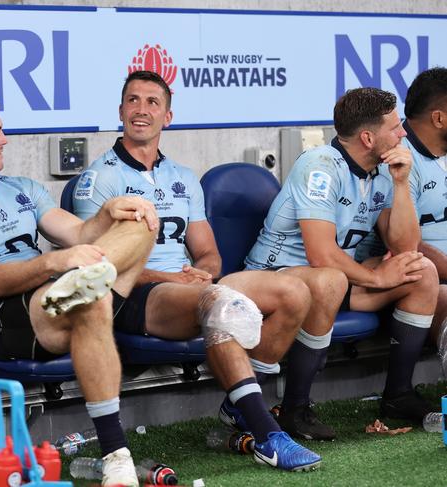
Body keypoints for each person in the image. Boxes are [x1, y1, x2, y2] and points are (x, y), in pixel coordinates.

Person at [73, 70, 326, 471]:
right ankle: (267, 437)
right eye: (133, 101)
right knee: (219, 302)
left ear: (168, 116)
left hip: (189, 287)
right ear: (120, 111)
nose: (142, 110)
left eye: (152, 102)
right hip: (135, 294)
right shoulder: (99, 179)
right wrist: (176, 279)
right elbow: (98, 267)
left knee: (293, 293)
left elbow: (208, 253)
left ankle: (238, 405)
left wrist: (202, 273)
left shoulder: (183, 178)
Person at [0, 93, 159, 486]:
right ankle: (116, 454)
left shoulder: (22, 188)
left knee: (139, 220)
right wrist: (55, 262)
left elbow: (78, 232)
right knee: (91, 302)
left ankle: (80, 289)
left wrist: (110, 210)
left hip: (50, 297)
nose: (5, 139)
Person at [245, 87, 440, 422]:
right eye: (395, 128)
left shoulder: (382, 170)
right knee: (330, 278)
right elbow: (320, 254)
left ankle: (398, 395)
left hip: (334, 280)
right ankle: (295, 407)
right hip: (275, 276)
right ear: (367, 137)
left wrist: (402, 184)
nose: (403, 133)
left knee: (420, 270)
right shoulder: (319, 165)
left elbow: (406, 246)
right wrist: (377, 277)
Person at [358, 68, 447, 374]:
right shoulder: (396, 159)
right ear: (439, 118)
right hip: (412, 278)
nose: (401, 133)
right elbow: (406, 246)